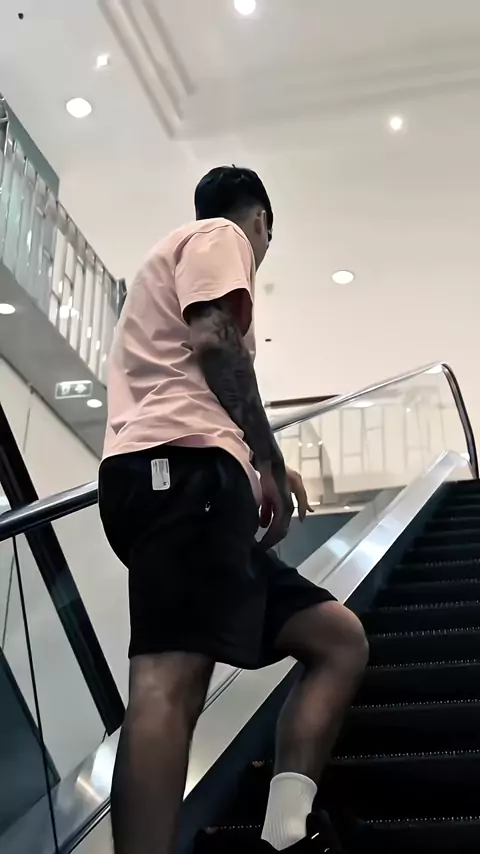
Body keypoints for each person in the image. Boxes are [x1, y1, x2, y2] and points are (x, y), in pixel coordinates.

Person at [98, 165, 369, 854]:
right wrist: (268, 458)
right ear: (261, 221)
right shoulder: (222, 235)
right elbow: (216, 339)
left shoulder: (182, 255)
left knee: (337, 639)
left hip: (200, 489)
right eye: (266, 236)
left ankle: (283, 837)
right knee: (170, 682)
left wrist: (252, 464)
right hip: (179, 474)